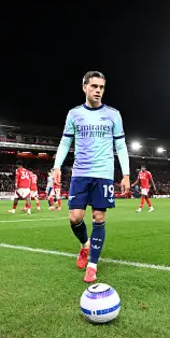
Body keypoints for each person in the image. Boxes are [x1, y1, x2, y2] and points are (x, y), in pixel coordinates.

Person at [52, 70, 130, 283]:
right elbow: (66, 141)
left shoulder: (113, 114)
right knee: (75, 217)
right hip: (80, 173)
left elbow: (121, 145)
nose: (98, 91)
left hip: (103, 173)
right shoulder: (74, 114)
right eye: (94, 86)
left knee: (99, 217)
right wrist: (57, 166)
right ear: (85, 87)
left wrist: (125, 173)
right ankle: (85, 245)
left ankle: (93, 265)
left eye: (101, 87)